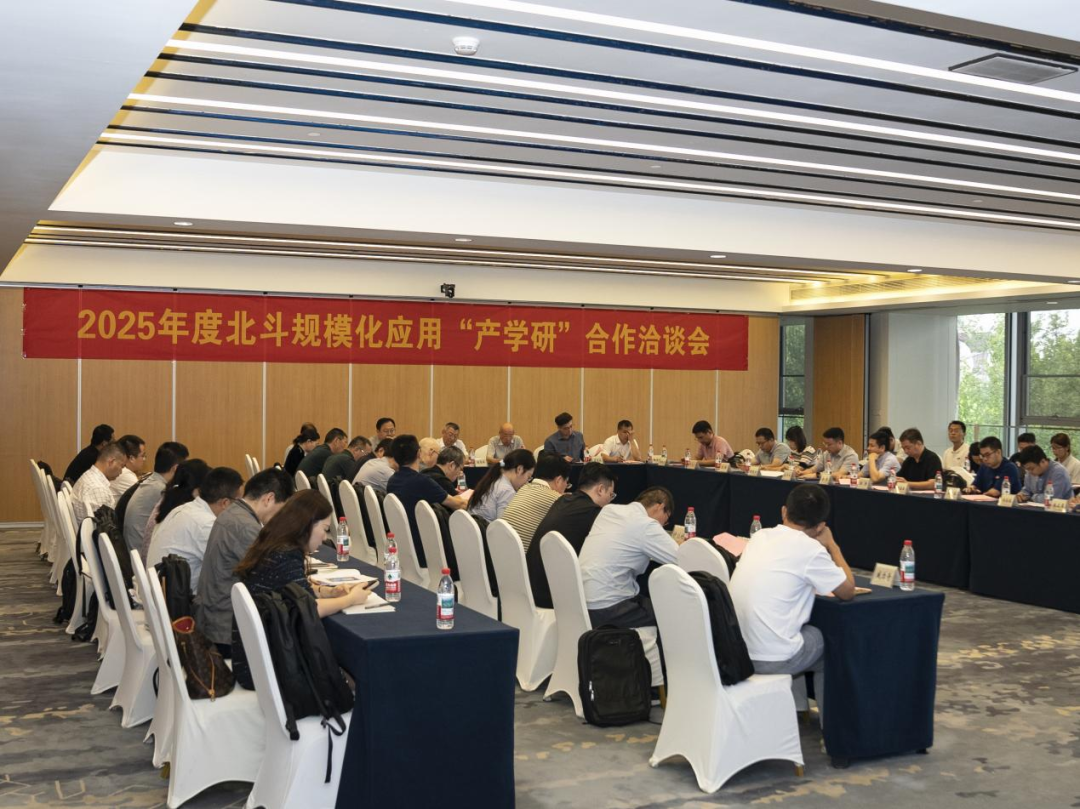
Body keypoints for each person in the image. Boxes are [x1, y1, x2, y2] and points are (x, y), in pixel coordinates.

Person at [729, 485, 855, 729]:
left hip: (736, 651)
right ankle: (833, 731)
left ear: (784, 511)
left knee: (796, 632)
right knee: (828, 644)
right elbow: (848, 591)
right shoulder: (812, 550)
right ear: (820, 526)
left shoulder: (760, 537)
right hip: (769, 658)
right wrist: (832, 546)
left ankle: (797, 709)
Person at [231, 490, 372, 689]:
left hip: (254, 657)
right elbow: (311, 609)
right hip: (269, 666)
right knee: (361, 675)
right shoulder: (285, 555)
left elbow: (288, 590)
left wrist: (327, 592)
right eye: (324, 529)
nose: (325, 537)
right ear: (307, 525)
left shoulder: (273, 542)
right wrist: (351, 599)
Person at [197, 468, 294, 656]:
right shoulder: (245, 527)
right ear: (269, 498)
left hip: (216, 617)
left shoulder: (233, 513)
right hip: (227, 630)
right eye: (282, 509)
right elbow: (274, 577)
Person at [579, 486, 682, 629]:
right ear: (660, 507)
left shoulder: (608, 510)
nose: (663, 525)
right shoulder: (646, 525)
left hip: (581, 603)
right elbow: (681, 559)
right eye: (666, 519)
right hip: (608, 608)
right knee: (674, 612)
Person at [526, 463, 617, 609]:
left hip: (531, 588)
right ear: (600, 489)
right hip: (555, 598)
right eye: (610, 495)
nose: (609, 501)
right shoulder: (593, 513)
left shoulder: (562, 500)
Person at [146, 466, 243, 591]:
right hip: (176, 599)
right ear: (225, 503)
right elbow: (231, 568)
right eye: (239, 502)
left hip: (160, 593)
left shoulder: (185, 508)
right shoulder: (206, 524)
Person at [386, 435, 467, 566]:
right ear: (418, 453)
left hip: (402, 543)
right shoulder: (422, 481)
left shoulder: (392, 481)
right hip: (424, 546)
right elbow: (459, 504)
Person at [123, 442, 189, 552]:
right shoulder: (160, 490)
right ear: (176, 468)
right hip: (142, 553)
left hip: (135, 550)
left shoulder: (152, 482)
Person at [502, 453, 570, 552]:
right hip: (523, 557)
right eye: (566, 482)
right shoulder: (556, 499)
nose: (566, 486)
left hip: (502, 552)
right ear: (559, 480)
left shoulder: (523, 488)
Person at [141, 460, 210, 557]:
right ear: (199, 489)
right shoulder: (187, 512)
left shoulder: (170, 499)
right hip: (161, 563)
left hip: (151, 562)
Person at [469, 448, 535, 522]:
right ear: (519, 469)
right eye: (528, 477)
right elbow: (503, 526)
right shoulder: (507, 490)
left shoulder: (493, 479)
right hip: (486, 528)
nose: (526, 483)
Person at [70, 442, 126, 523]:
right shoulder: (98, 489)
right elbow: (105, 528)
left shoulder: (88, 476)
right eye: (122, 466)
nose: (121, 472)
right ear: (111, 462)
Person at [110, 434, 146, 501]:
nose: (144, 459)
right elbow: (144, 500)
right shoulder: (125, 475)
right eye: (142, 456)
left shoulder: (119, 470)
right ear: (131, 458)